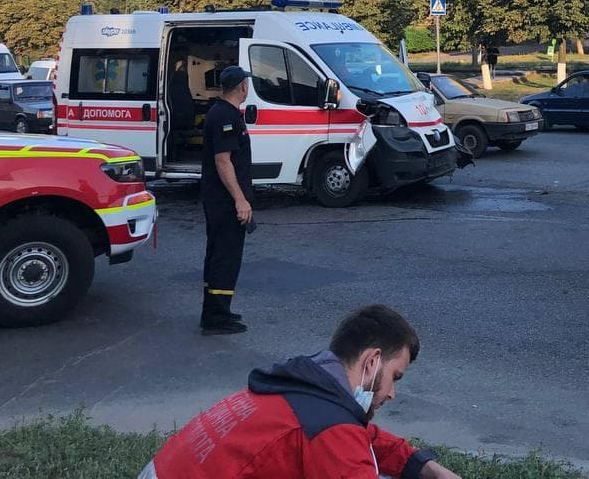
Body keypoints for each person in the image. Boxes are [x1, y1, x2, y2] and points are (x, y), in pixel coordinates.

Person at [139, 304, 463, 479]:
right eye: (395, 376)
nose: (391, 392)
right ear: (372, 361)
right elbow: (345, 442)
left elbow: (362, 438)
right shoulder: (327, 427)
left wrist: (424, 467)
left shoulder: (302, 389)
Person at [200, 65, 254, 335]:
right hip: (224, 202)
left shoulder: (225, 112)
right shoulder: (224, 116)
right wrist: (240, 200)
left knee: (219, 255)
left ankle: (217, 310)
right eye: (247, 83)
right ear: (242, 87)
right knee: (225, 258)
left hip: (220, 200)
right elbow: (223, 161)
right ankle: (215, 319)